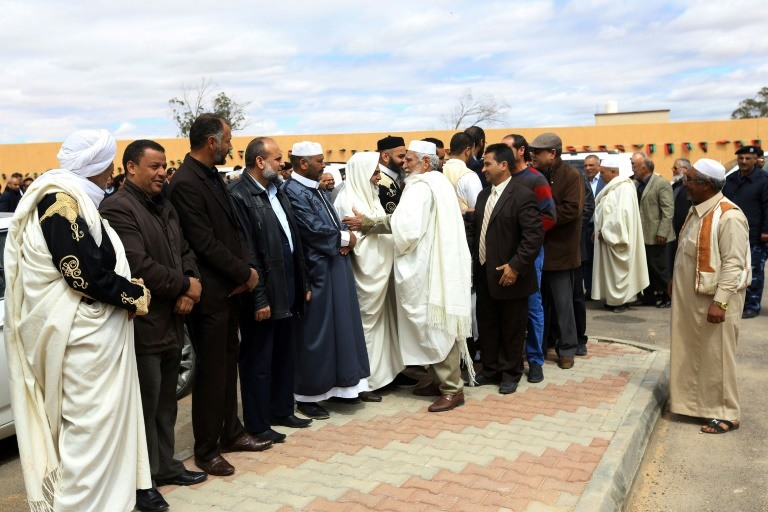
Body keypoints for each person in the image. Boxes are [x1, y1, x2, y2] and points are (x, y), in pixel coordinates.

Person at [4, 129, 152, 511]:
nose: (112, 173)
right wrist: (134, 295)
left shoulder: (74, 198)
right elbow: (81, 274)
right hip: (81, 340)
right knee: (88, 437)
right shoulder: (60, 202)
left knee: (104, 433)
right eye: (109, 165)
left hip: (93, 335)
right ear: (97, 166)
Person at [100, 139, 207, 511]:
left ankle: (165, 466)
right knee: (144, 407)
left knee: (166, 403)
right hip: (143, 325)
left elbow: (185, 251)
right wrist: (183, 285)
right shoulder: (117, 208)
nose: (163, 172)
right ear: (131, 167)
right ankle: (142, 480)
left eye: (165, 166)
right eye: (154, 166)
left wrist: (190, 286)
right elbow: (138, 264)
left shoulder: (164, 204)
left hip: (173, 320)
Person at [169, 114, 270, 478]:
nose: (231, 146)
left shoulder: (212, 175)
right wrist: (244, 273)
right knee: (211, 374)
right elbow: (203, 241)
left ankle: (231, 433)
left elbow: (234, 230)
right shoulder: (185, 182)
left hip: (231, 290)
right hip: (211, 294)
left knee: (227, 368)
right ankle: (207, 450)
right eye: (227, 139)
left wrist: (247, 271)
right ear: (211, 142)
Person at [229, 137, 313, 442]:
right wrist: (259, 298)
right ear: (260, 161)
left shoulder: (278, 190)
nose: (282, 164)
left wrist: (303, 282)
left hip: (287, 285)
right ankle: (258, 423)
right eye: (277, 159)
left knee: (284, 354)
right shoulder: (239, 195)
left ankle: (282, 409)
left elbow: (293, 240)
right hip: (263, 292)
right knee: (259, 360)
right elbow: (247, 252)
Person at [282, 141, 370, 420]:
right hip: (316, 272)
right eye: (319, 161)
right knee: (315, 334)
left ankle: (342, 387)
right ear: (303, 163)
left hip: (334, 267)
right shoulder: (292, 190)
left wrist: (346, 235)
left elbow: (333, 222)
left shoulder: (315, 188)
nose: (324, 165)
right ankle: (308, 396)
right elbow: (311, 229)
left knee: (341, 328)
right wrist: (345, 238)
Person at [670, 158, 751, 434]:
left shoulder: (729, 216)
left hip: (715, 301)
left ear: (706, 184)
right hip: (692, 300)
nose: (684, 183)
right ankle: (697, 406)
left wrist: (721, 302)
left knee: (718, 356)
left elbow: (734, 264)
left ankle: (728, 413)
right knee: (696, 353)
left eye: (690, 179)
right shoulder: (698, 210)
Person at [472, 143, 543, 394]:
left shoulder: (523, 195)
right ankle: (490, 369)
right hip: (485, 273)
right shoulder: (483, 196)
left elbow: (533, 237)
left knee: (512, 328)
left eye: (487, 164)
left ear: (503, 165)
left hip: (510, 275)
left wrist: (515, 266)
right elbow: (479, 230)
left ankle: (510, 373)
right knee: (487, 324)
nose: (483, 169)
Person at [334, 152, 403, 396]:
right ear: (361, 174)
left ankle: (386, 374)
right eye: (374, 173)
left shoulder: (370, 195)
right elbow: (353, 241)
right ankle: (365, 382)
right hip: (365, 275)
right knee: (365, 327)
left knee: (386, 324)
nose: (378, 178)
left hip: (382, 272)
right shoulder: (346, 200)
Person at [502, 134, 556, 381]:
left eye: (507, 148)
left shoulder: (535, 179)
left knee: (533, 305)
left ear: (521, 150)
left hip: (530, 253)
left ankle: (535, 360)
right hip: (503, 253)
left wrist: (527, 236)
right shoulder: (502, 178)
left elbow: (549, 216)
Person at [530, 132, 585, 370]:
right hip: (537, 250)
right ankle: (541, 346)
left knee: (563, 304)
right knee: (540, 305)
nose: (533, 155)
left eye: (537, 152)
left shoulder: (571, 176)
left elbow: (572, 209)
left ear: (552, 153)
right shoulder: (535, 175)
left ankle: (567, 349)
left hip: (561, 251)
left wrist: (541, 219)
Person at [591, 155, 649, 312]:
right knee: (610, 273)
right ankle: (612, 300)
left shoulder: (624, 188)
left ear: (613, 172)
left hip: (616, 239)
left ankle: (622, 301)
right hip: (605, 237)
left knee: (619, 272)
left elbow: (622, 217)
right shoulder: (613, 188)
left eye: (603, 173)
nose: (600, 176)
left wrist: (606, 231)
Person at [722, 145, 768, 319]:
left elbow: (767, 206)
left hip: (756, 235)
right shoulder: (730, 179)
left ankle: (752, 305)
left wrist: (766, 230)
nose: (744, 161)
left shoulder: (763, 180)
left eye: (748, 158)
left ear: (755, 160)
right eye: (741, 158)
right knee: (733, 269)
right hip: (733, 232)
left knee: (753, 271)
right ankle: (736, 303)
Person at [631, 151, 675, 308]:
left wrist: (663, 232)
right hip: (642, 235)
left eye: (634, 165)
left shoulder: (660, 183)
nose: (632, 168)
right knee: (646, 268)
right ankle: (648, 297)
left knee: (660, 268)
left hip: (658, 235)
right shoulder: (636, 184)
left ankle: (669, 297)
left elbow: (668, 210)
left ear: (644, 168)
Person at [442, 132, 483, 216]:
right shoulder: (469, 176)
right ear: (467, 151)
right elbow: (478, 210)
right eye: (472, 151)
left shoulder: (439, 171)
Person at [582, 154, 604, 297]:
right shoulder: (581, 181)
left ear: (598, 166)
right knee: (587, 259)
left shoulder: (605, 181)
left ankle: (602, 291)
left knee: (601, 259)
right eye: (585, 166)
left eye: (591, 165)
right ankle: (589, 289)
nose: (588, 168)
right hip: (586, 226)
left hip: (601, 227)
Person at [668, 158, 693, 275]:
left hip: (685, 230)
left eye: (675, 168)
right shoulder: (674, 186)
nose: (673, 171)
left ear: (685, 169)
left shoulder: (691, 186)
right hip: (673, 232)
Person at [376, 135, 407, 213]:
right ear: (385, 156)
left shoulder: (398, 176)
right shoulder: (378, 180)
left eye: (405, 157)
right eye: (401, 156)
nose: (404, 161)